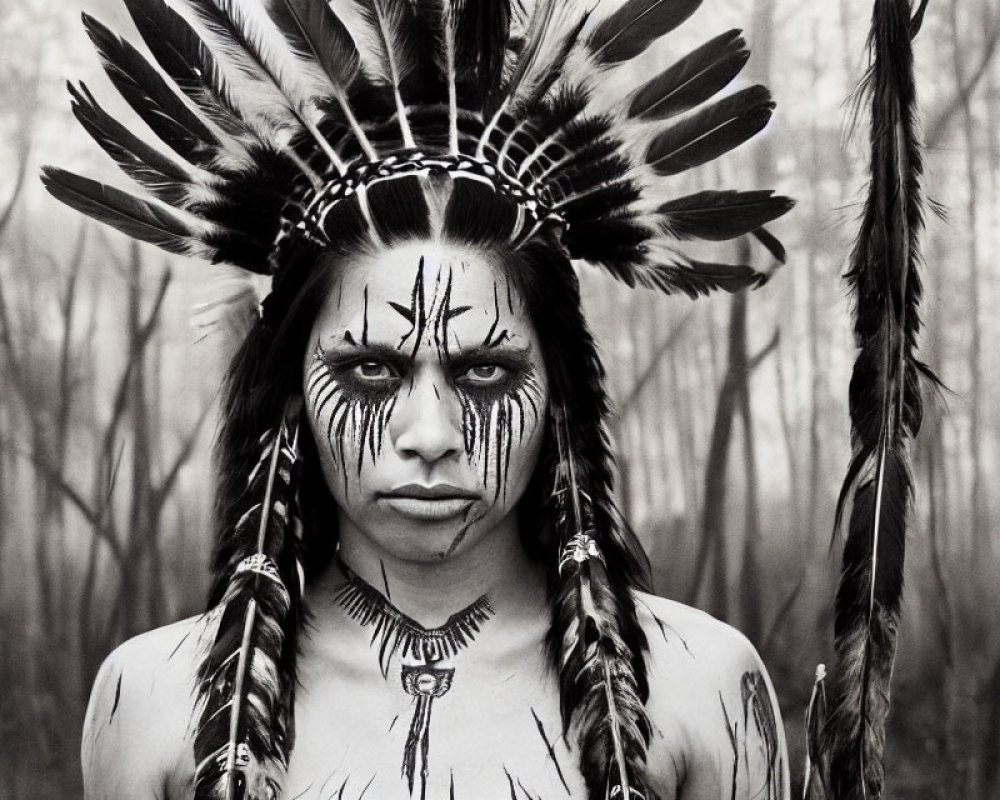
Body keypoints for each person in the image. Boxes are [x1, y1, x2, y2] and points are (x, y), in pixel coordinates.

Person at [45, 1, 794, 798]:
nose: (430, 434)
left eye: (484, 372)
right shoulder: (155, 703)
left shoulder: (702, 689)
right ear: (293, 386)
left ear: (559, 393)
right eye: (370, 371)